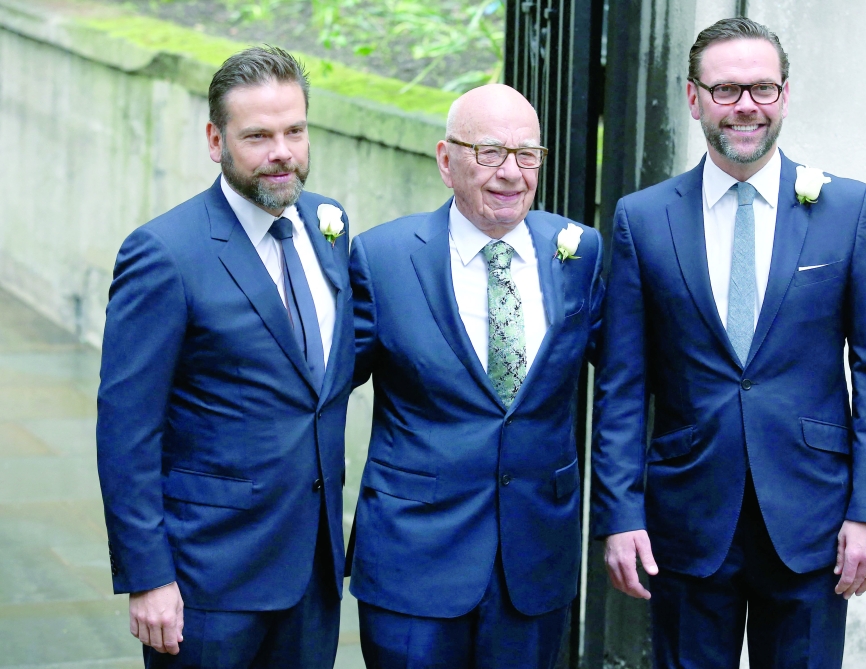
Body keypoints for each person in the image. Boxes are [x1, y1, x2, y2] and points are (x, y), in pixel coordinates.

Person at [591, 17, 866, 668]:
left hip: (814, 521)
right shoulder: (642, 219)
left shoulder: (848, 210)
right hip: (688, 518)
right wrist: (620, 513)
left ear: (784, 95)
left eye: (762, 88)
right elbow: (622, 385)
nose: (746, 106)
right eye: (726, 90)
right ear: (694, 97)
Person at [96, 46, 353, 668]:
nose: (282, 152)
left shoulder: (329, 224)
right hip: (208, 580)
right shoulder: (164, 253)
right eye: (258, 136)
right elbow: (127, 430)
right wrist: (148, 576)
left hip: (313, 572)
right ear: (216, 141)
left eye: (295, 131)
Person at [348, 84, 604, 668]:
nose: (511, 173)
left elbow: (625, 379)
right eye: (489, 153)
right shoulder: (382, 258)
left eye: (527, 155)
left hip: (534, 559)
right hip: (413, 560)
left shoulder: (578, 252)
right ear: (446, 160)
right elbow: (325, 390)